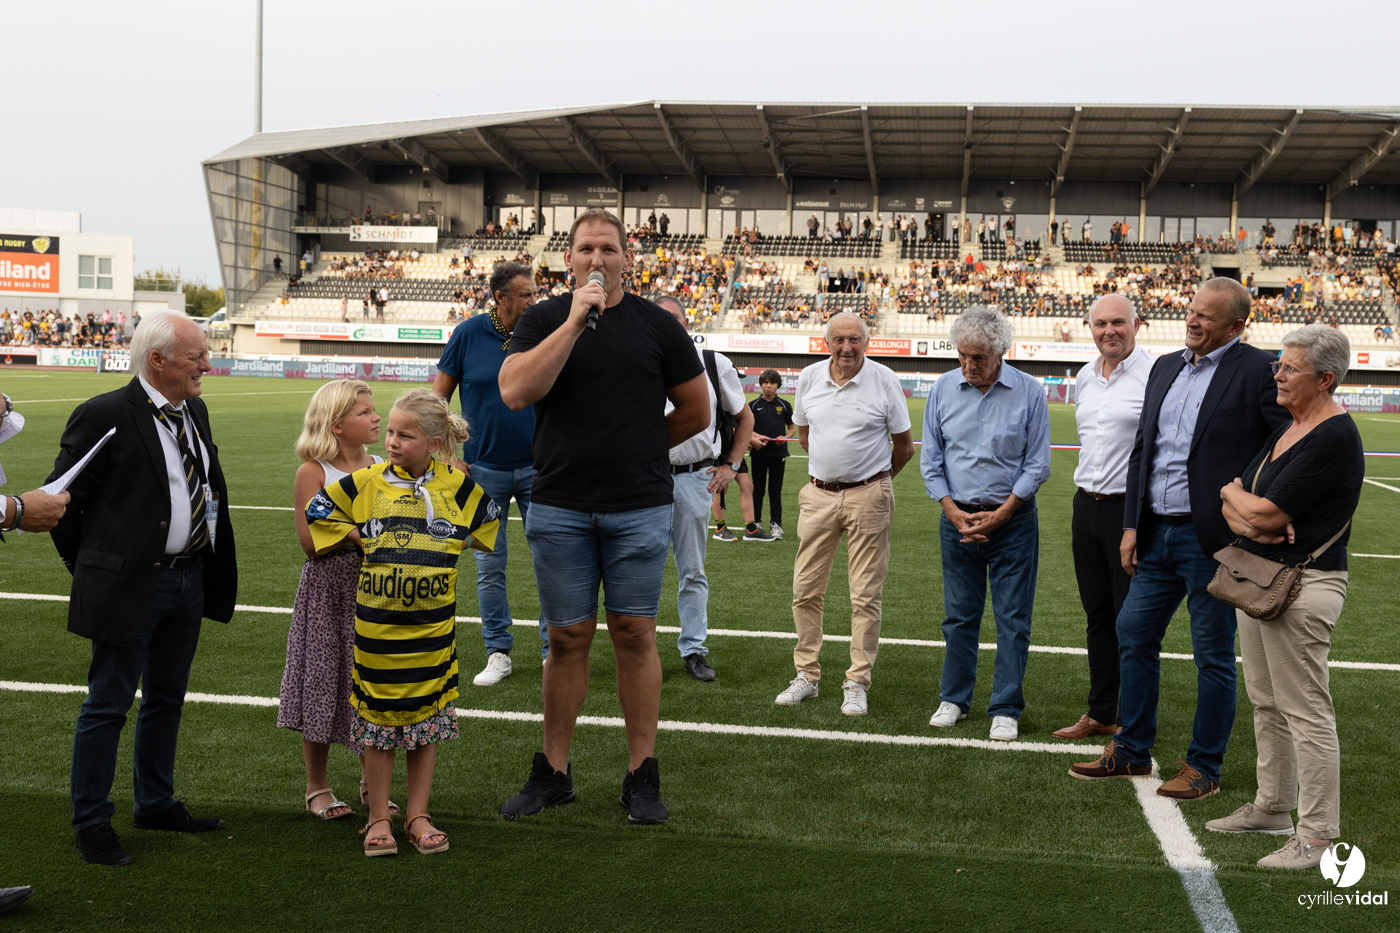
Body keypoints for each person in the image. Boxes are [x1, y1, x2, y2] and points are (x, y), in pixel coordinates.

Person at [495, 208, 709, 825]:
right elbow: (516, 391)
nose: (597, 258)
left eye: (608, 249)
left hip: (639, 506)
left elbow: (696, 411)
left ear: (627, 258)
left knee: (636, 636)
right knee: (565, 638)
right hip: (559, 504)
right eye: (586, 248)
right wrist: (573, 322)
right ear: (568, 259)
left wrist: (640, 446)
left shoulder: (655, 326)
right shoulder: (542, 317)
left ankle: (642, 773)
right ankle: (554, 772)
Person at [1070, 277, 1288, 797]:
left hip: (1213, 541)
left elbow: (1285, 440)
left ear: (1237, 326)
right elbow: (1144, 450)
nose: (1192, 321)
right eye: (1191, 311)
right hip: (1155, 532)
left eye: (1207, 317)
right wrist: (1130, 525)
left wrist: (1259, 506)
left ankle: (1204, 767)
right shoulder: (1167, 367)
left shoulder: (1258, 368)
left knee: (1211, 655)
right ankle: (1131, 750)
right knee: (1133, 633)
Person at [49, 311, 238, 866]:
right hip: (132, 586)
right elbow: (62, 505)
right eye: (196, 356)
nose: (208, 364)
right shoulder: (104, 414)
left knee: (165, 700)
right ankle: (92, 822)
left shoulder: (195, 410)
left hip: (189, 579)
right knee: (108, 703)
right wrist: (99, 571)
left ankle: (154, 802)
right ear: (158, 361)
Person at [305, 389, 500, 856]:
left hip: (432, 635)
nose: (392, 441)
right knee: (377, 723)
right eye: (389, 431)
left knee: (426, 724)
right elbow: (319, 511)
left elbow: (489, 519)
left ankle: (417, 814)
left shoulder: (455, 484)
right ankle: (377, 819)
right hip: (376, 635)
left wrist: (451, 543)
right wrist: (361, 536)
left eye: (405, 435)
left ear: (434, 443)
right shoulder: (368, 481)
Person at [1206, 326, 1363, 870]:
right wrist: (1237, 499)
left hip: (1305, 585)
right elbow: (1240, 503)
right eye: (1279, 364)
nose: (1278, 374)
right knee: (1267, 701)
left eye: (1289, 368)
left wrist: (1249, 508)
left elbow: (1264, 515)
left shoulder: (1333, 436)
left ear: (1324, 379)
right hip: (1263, 578)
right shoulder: (1291, 428)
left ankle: (1318, 836)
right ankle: (1273, 807)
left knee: (1305, 711)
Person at [774, 311, 914, 717]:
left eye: (855, 339)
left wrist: (876, 484)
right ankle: (807, 675)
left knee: (865, 594)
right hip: (818, 495)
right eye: (839, 339)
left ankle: (857, 681)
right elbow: (805, 435)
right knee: (805, 589)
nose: (847, 347)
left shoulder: (884, 379)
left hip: (869, 495)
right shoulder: (811, 378)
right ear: (827, 342)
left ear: (866, 342)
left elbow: (903, 447)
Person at [923, 307, 1051, 741]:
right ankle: (954, 699)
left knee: (1013, 617)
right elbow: (931, 460)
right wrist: (951, 510)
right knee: (959, 616)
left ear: (1001, 352)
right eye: (962, 356)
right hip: (956, 519)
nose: (969, 365)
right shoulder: (942, 388)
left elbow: (1037, 464)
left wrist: (1003, 513)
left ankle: (1006, 707)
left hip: (1012, 522)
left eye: (978, 357)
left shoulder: (1030, 392)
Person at [434, 261, 547, 686]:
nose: (534, 301)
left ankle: (552, 651)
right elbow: (438, 402)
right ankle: (498, 651)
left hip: (542, 470)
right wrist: (448, 455)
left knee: (550, 563)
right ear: (500, 298)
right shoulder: (467, 334)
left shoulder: (543, 333)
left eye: (535, 293)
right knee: (489, 566)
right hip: (482, 470)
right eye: (526, 295)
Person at [279, 380, 386, 823]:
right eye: (365, 412)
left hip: (376, 591)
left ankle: (371, 782)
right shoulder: (315, 471)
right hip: (330, 589)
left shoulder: (383, 466)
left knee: (371, 683)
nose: (376, 418)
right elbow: (310, 541)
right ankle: (317, 786)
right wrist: (361, 535)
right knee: (324, 680)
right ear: (337, 425)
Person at [1054, 295, 1151, 740]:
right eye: (1100, 324)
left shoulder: (1156, 374)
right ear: (1089, 327)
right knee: (1096, 614)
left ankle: (1132, 720)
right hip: (1085, 505)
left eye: (1118, 322)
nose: (1108, 331)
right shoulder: (1085, 376)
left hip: (1129, 511)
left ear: (1137, 324)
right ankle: (1101, 713)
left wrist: (1136, 521)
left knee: (1129, 620)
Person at [656, 296, 754, 681]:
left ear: (686, 323)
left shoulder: (713, 363)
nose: (669, 328)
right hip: (644, 478)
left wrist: (731, 465)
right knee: (636, 569)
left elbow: (743, 419)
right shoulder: (636, 361)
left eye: (675, 321)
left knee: (692, 570)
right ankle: (638, 650)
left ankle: (694, 648)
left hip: (695, 478)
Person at [748, 369, 795, 539]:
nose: (768, 386)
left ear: (778, 386)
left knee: (775, 490)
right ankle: (756, 524)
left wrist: (785, 438)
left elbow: (791, 429)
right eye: (765, 383)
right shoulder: (752, 405)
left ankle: (776, 524)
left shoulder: (784, 405)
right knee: (758, 490)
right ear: (761, 385)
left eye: (772, 383)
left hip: (778, 453)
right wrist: (755, 437)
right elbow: (746, 428)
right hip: (758, 452)